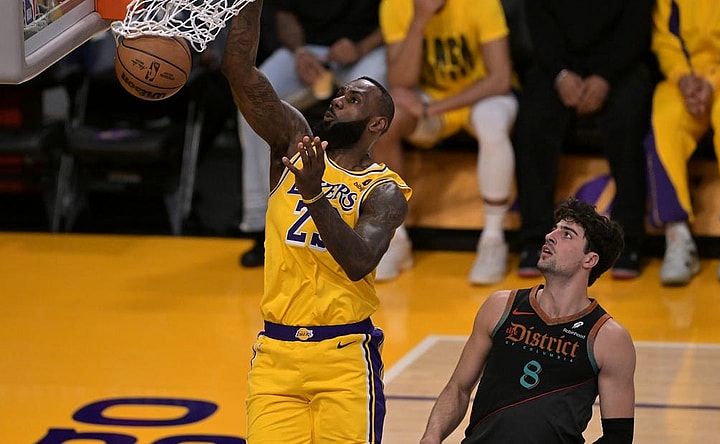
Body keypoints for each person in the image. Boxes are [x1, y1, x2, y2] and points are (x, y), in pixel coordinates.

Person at [221, 0, 411, 441]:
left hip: (344, 357)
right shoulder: (292, 140)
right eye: (341, 94)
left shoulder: (384, 190)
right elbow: (241, 73)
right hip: (276, 355)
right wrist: (251, 4)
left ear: (377, 124)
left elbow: (360, 260)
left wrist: (313, 194)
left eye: (354, 99)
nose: (338, 100)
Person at [420, 197, 636, 444]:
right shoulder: (501, 306)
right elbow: (458, 389)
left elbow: (618, 437)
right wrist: (432, 436)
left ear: (590, 259)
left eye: (567, 234)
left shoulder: (608, 337)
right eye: (554, 228)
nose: (550, 236)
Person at [374, 0, 519, 285]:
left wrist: (433, 110)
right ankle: (396, 237)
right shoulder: (394, 5)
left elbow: (500, 79)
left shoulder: (480, 3)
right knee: (384, 122)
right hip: (430, 99)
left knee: (491, 123)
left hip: (482, 96)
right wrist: (419, 21)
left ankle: (493, 240)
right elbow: (400, 81)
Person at [236, 0, 388, 267]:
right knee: (253, 101)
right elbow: (285, 14)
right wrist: (300, 52)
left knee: (376, 103)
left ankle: (365, 223)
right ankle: (263, 222)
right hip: (311, 50)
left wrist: (361, 47)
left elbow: (400, 18)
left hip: (368, 50)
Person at [514, 0, 654, 280]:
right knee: (532, 120)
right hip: (557, 67)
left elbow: (636, 28)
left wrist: (605, 77)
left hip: (618, 68)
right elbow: (539, 26)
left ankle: (629, 242)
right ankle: (534, 238)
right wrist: (560, 75)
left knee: (630, 117)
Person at [646, 0, 720, 286]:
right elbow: (665, 38)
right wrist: (683, 78)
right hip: (686, 80)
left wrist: (714, 82)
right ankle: (678, 236)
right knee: (664, 119)